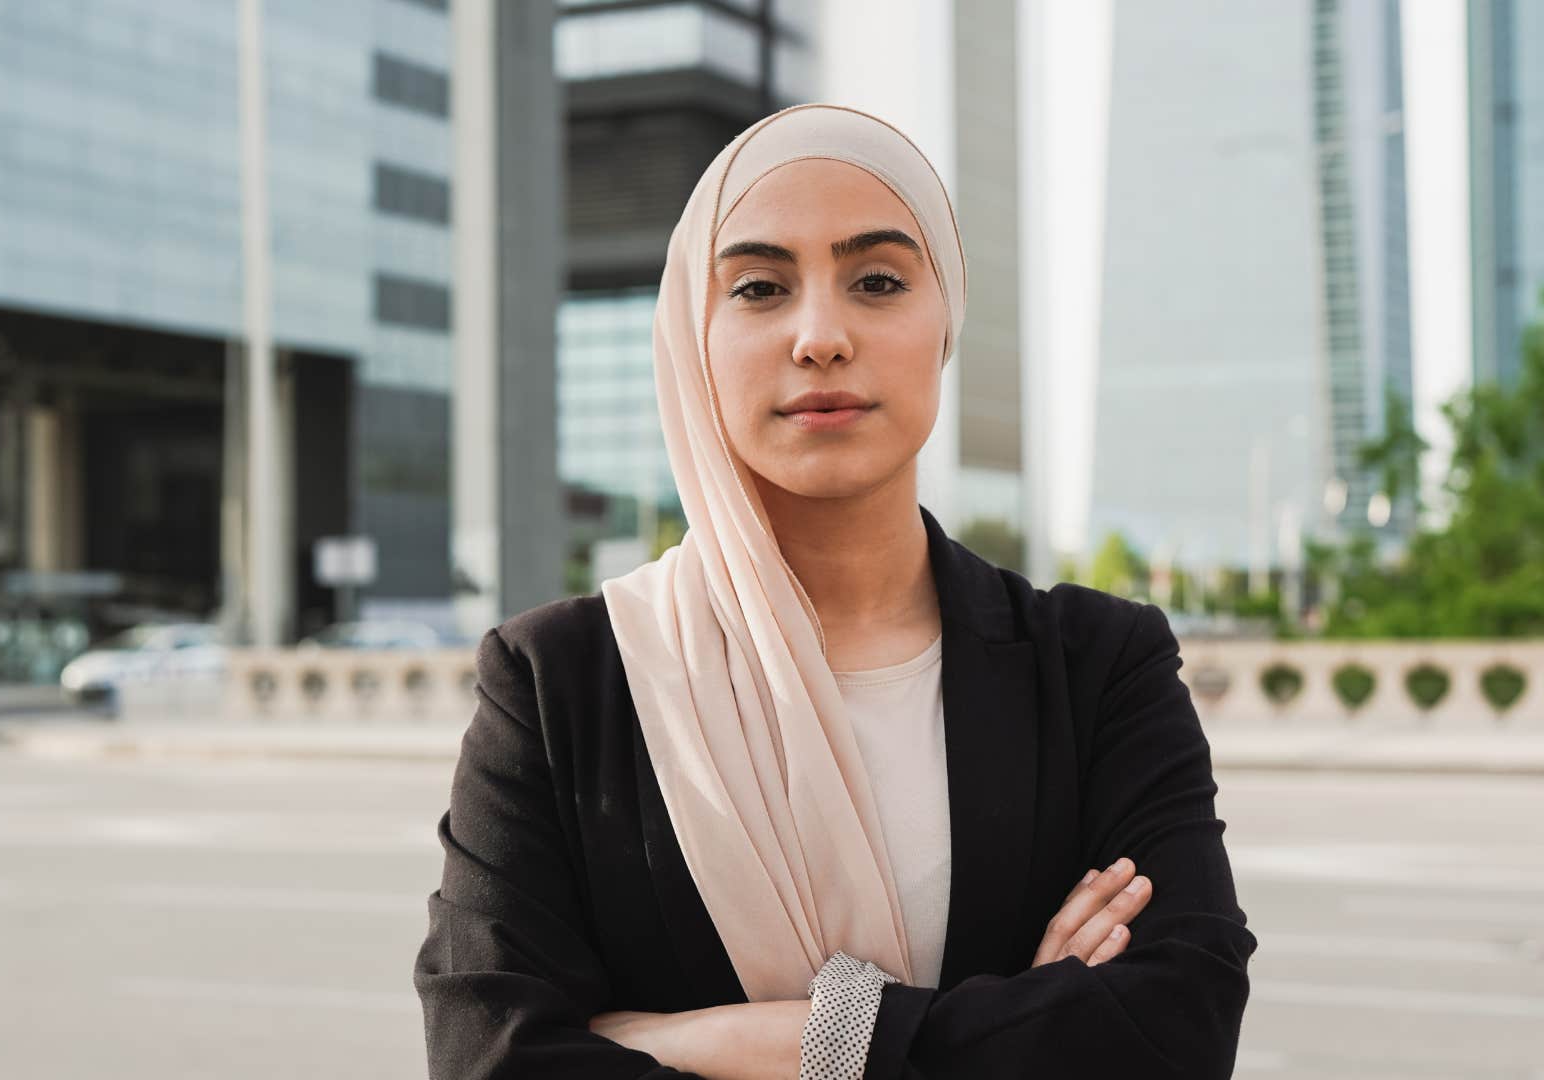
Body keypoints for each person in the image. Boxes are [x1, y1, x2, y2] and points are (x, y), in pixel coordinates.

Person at [413, 102, 1257, 1079]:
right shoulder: (563, 683)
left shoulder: (1099, 667)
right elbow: (489, 1059)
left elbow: (1175, 1032)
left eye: (879, 281)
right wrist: (1023, 1021)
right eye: (762, 288)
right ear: (695, 337)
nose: (820, 335)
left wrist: (751, 1040)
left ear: (945, 324)